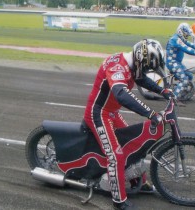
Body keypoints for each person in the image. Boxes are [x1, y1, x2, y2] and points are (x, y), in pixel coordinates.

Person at [84, 39, 173, 210]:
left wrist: (162, 91)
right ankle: (119, 200)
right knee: (116, 156)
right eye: (147, 67)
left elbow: (141, 79)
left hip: (111, 113)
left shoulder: (132, 63)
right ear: (141, 60)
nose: (146, 71)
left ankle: (138, 181)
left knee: (133, 145)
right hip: (99, 114)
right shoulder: (117, 67)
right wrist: (150, 113)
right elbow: (121, 94)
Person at [166, 22, 195, 101]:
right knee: (184, 80)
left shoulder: (180, 39)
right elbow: (187, 49)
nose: (187, 37)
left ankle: (183, 92)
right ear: (181, 32)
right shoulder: (175, 40)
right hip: (172, 63)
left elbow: (192, 45)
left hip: (177, 63)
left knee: (190, 76)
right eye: (186, 35)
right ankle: (172, 98)